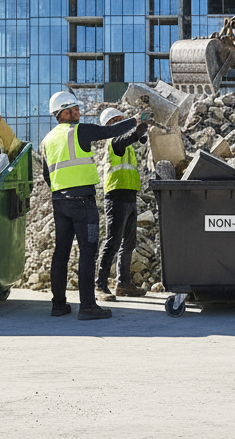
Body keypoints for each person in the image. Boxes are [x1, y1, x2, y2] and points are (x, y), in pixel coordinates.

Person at [40, 91, 142, 321]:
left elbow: (47, 175)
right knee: (88, 253)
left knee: (61, 254)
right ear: (62, 112)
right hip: (83, 202)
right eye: (74, 109)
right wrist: (136, 120)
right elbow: (108, 132)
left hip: (60, 201)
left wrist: (60, 191)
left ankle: (58, 305)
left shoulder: (45, 141)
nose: (78, 112)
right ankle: (87, 306)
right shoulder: (79, 130)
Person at [96, 107, 149, 301]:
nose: (122, 123)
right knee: (113, 241)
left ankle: (123, 283)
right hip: (116, 196)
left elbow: (137, 140)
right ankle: (100, 284)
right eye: (118, 120)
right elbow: (127, 138)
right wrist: (139, 127)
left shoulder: (127, 144)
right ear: (110, 125)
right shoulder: (114, 142)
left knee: (129, 243)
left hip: (129, 195)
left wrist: (142, 130)